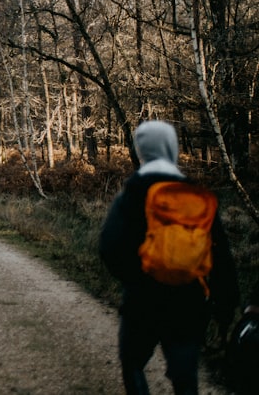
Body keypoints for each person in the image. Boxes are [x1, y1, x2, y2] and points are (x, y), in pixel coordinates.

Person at [99, 120, 238, 395]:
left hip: (142, 300)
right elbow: (220, 255)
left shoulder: (132, 193)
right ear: (172, 147)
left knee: (133, 363)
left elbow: (109, 247)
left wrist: (136, 279)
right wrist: (225, 305)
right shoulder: (195, 195)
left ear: (142, 150)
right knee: (185, 376)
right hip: (189, 301)